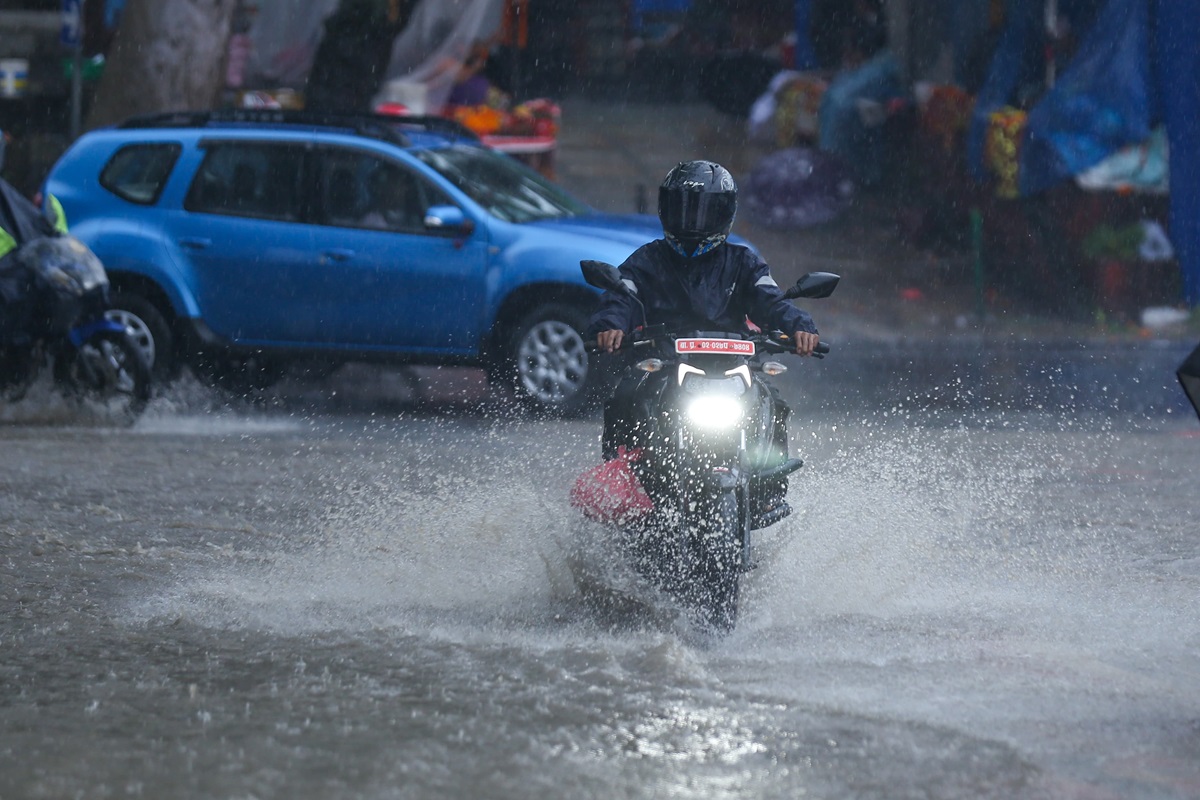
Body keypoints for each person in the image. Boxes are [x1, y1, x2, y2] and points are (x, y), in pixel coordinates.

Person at [588, 160, 821, 525]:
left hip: (732, 364)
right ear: (666, 208)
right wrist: (610, 325)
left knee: (771, 402)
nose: (692, 221)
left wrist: (800, 328)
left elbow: (771, 300)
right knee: (624, 395)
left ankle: (766, 491)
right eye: (683, 209)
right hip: (665, 365)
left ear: (724, 213)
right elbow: (622, 296)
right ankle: (622, 482)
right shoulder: (648, 260)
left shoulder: (743, 262)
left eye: (703, 211)